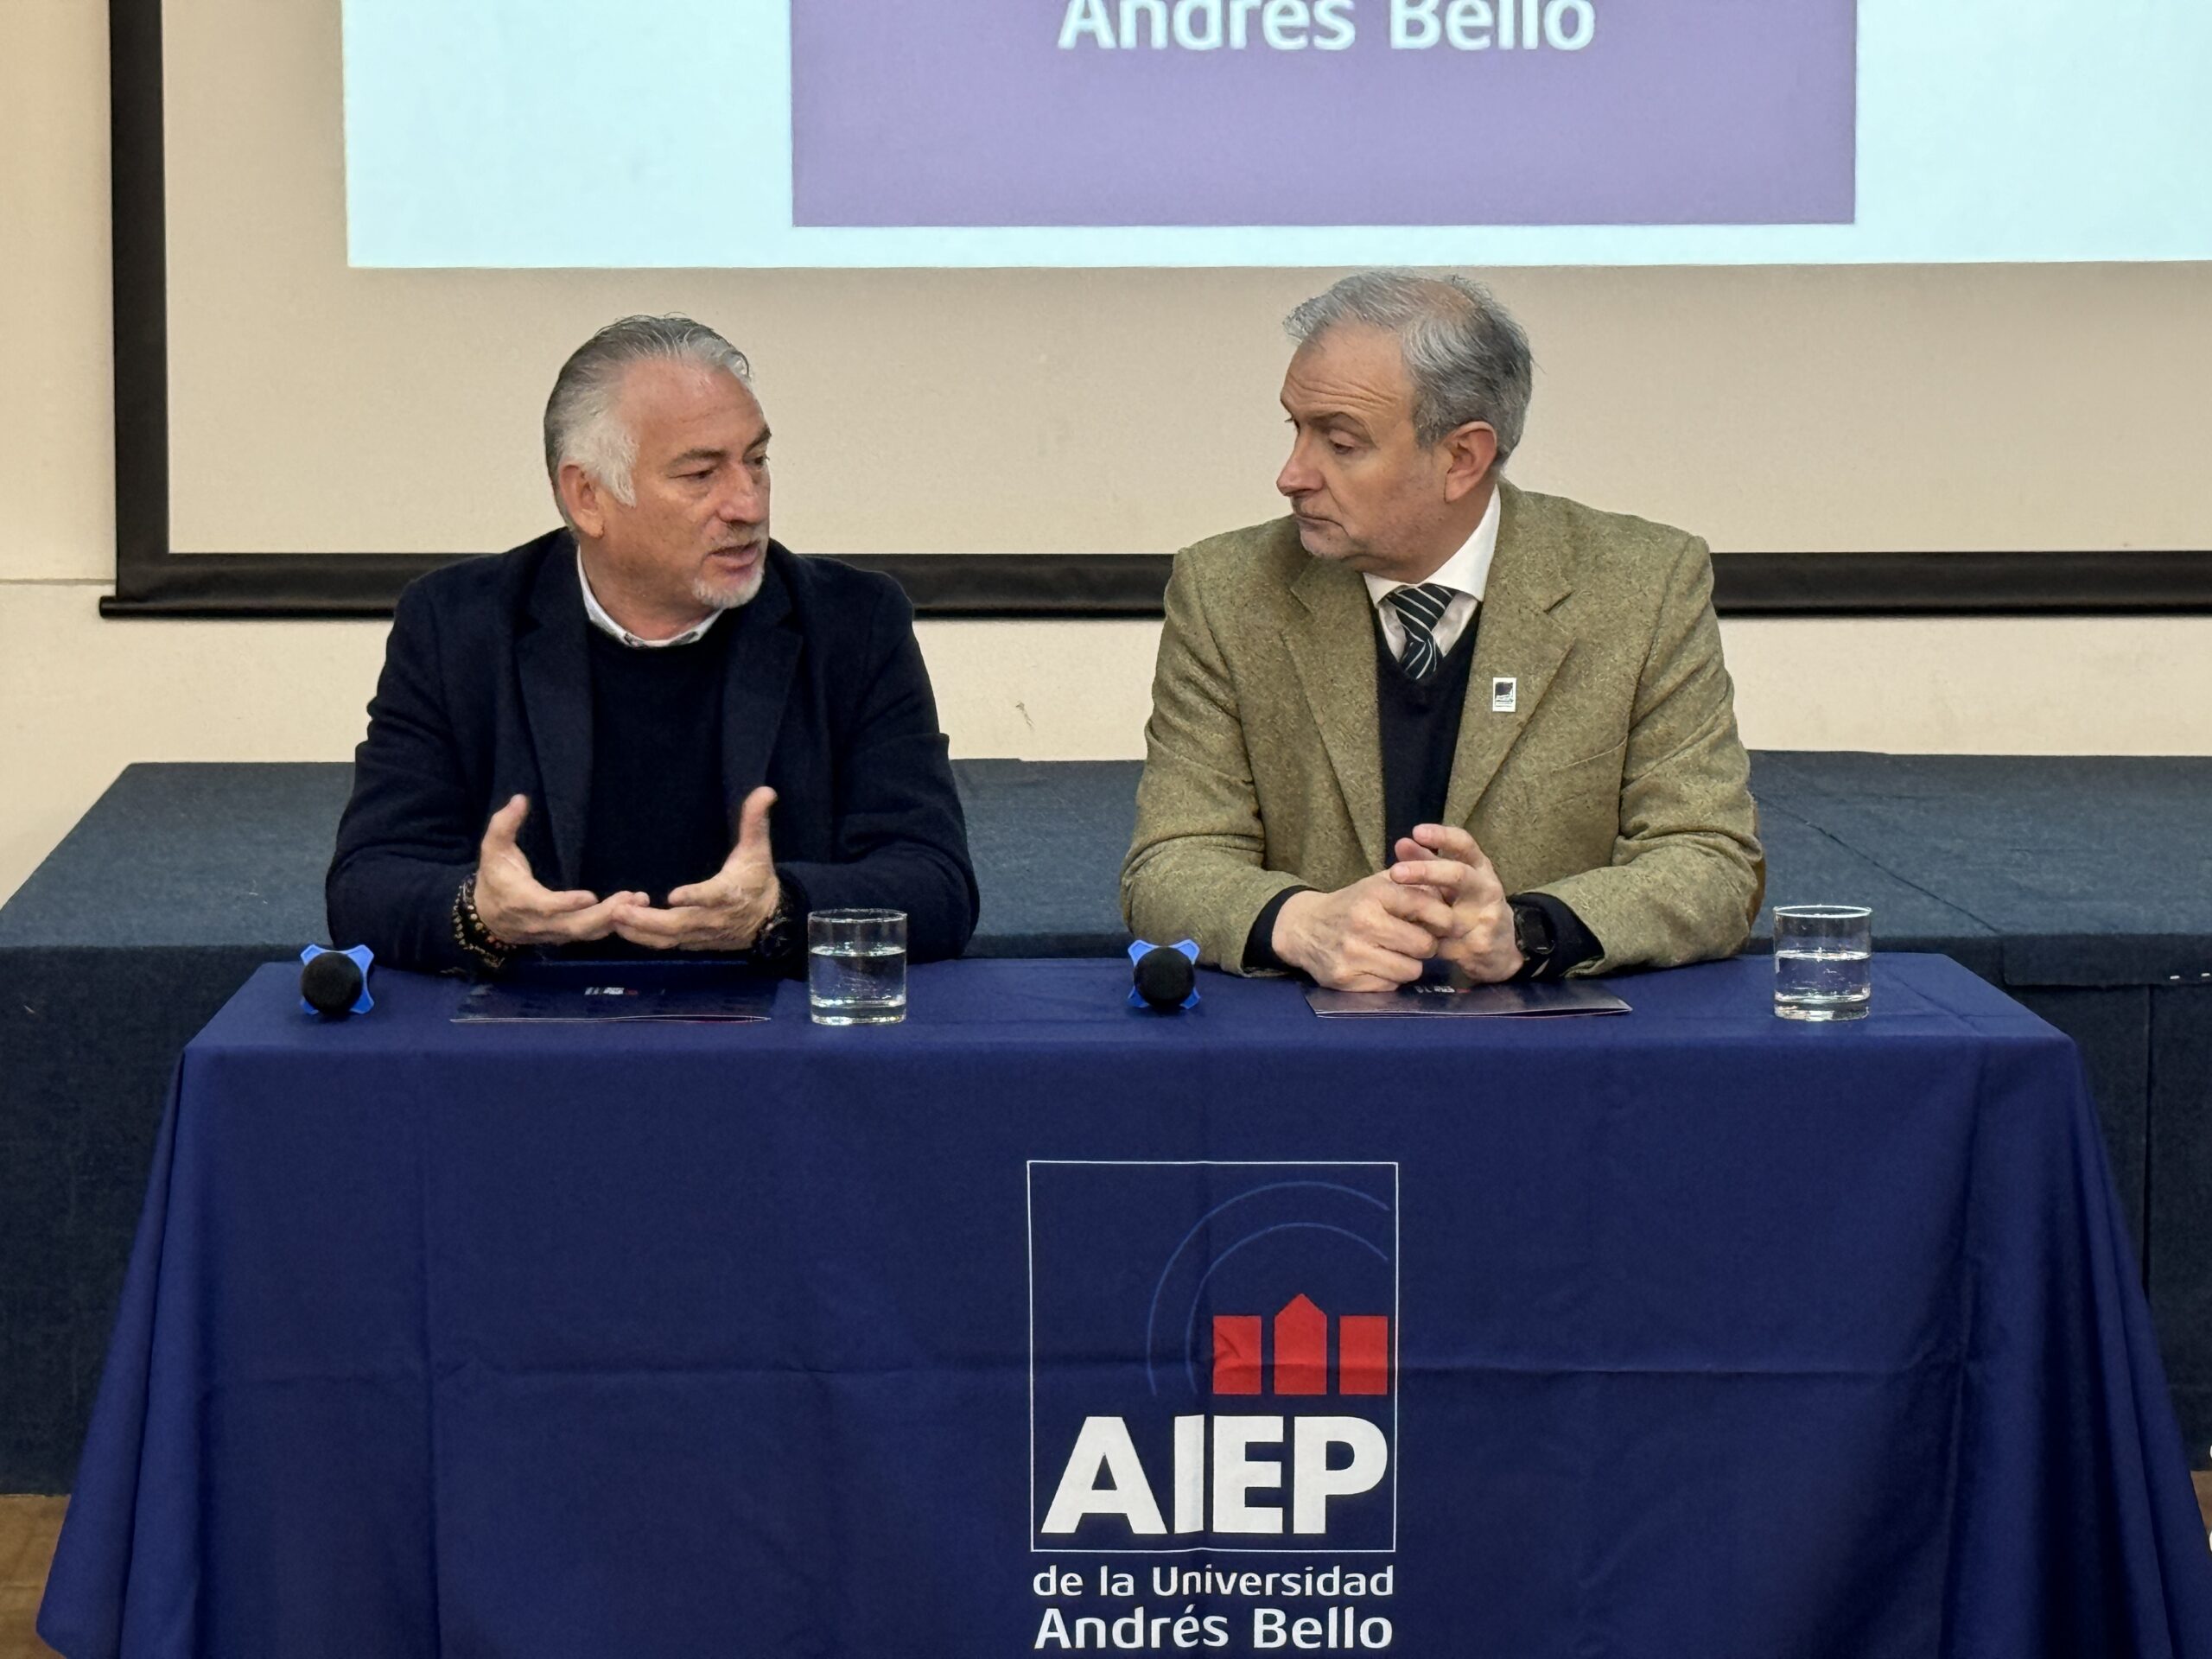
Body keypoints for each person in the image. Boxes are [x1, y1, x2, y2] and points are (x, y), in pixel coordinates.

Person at [1122, 272, 1763, 989]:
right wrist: (1304, 923)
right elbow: (1169, 865)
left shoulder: (1641, 586)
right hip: (1307, 1032)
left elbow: (1710, 864)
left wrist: (1528, 931)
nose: (1292, 474)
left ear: (1462, 458)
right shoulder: (1227, 591)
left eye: (1340, 441)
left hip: (1548, 1034)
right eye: (1295, 429)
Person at [328, 315, 977, 974]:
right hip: (536, 1016)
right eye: (700, 475)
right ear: (587, 497)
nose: (748, 505)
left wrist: (780, 911)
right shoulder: (458, 626)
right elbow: (367, 883)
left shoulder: (852, 623)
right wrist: (478, 914)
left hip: (768, 1021)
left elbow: (936, 883)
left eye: (756, 461)